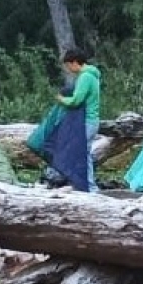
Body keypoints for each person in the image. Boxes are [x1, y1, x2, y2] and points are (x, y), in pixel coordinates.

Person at [56, 49, 101, 192]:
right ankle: (85, 185)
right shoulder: (93, 76)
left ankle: (89, 188)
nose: (68, 69)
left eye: (68, 65)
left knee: (80, 154)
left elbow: (76, 100)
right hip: (92, 121)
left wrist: (62, 99)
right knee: (83, 154)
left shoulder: (85, 77)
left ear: (75, 62)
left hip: (87, 122)